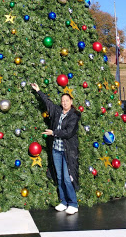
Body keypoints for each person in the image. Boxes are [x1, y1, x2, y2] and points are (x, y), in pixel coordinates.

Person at [31, 82, 81, 215]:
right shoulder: (58, 111)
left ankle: (73, 203)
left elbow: (68, 132)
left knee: (66, 177)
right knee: (59, 177)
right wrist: (38, 90)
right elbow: (48, 103)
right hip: (56, 150)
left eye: (67, 100)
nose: (64, 103)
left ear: (71, 101)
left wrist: (54, 132)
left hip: (67, 151)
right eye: (63, 101)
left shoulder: (74, 115)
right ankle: (63, 201)